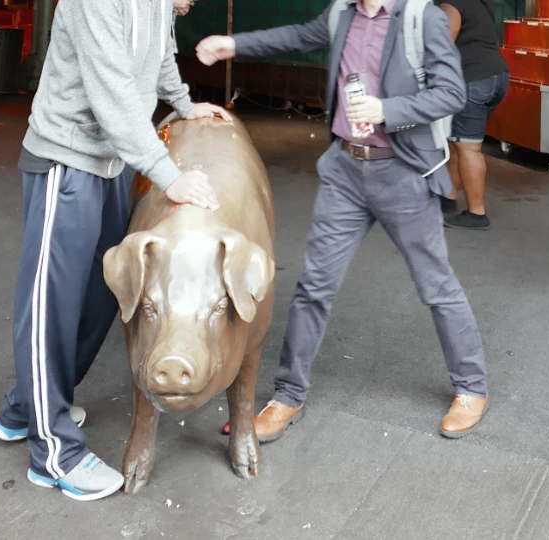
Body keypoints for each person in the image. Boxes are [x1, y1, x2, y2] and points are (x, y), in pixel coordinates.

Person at [197, 0, 491, 442]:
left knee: (436, 285)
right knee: (314, 286)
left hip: (403, 173)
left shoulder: (421, 18)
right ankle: (288, 395)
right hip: (346, 172)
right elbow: (297, 36)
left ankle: (471, 387)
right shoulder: (342, 12)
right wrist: (233, 44)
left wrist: (386, 109)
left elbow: (451, 93)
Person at [0, 0, 229, 502]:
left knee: (106, 293)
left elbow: (160, 57)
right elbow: (112, 92)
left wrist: (183, 104)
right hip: (67, 158)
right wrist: (169, 175)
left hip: (113, 161)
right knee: (51, 306)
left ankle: (26, 408)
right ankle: (53, 452)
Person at [437, 0, 509, 231]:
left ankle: (477, 214)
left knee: (468, 148)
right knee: (457, 140)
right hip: (497, 75)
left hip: (473, 79)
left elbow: (443, 43)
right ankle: (447, 197)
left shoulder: (452, 3)